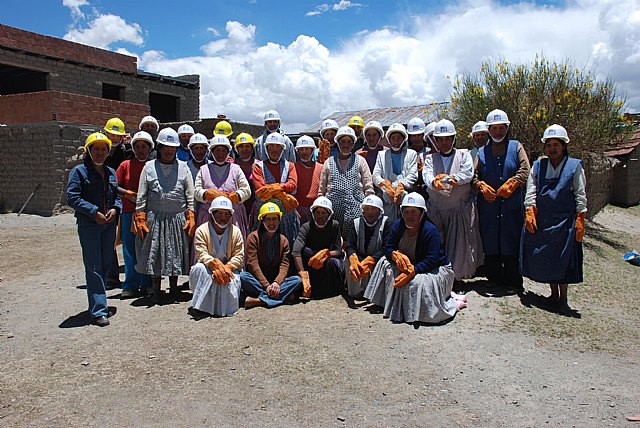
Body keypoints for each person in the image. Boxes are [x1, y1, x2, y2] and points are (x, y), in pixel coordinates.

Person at [364, 193, 466, 324]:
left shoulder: (430, 230)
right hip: (411, 263)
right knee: (385, 263)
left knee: (416, 283)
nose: (409, 216)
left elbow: (432, 259)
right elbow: (387, 246)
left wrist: (413, 271)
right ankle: (389, 303)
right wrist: (394, 255)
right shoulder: (397, 226)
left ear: (422, 213)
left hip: (435, 268)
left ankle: (447, 304)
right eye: (406, 212)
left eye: (413, 212)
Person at [521, 125, 587, 310]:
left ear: (564, 145)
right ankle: (553, 295)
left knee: (563, 260)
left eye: (556, 144)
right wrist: (529, 209)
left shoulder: (574, 167)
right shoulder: (538, 166)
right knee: (548, 258)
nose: (552, 148)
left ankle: (563, 298)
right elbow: (531, 189)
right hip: (543, 221)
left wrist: (580, 217)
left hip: (565, 222)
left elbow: (580, 194)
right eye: (548, 145)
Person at [472, 109, 530, 294]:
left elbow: (525, 169)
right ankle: (495, 279)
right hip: (489, 206)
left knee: (510, 240)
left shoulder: (516, 147)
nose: (498, 132)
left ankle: (513, 282)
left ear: (507, 128)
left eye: (501, 128)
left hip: (511, 205)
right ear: (489, 130)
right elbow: (472, 176)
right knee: (491, 241)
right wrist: (480, 186)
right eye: (494, 128)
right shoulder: (481, 152)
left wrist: (514, 182)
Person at [134, 127, 196, 302]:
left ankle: (174, 287)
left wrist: (190, 215)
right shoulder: (148, 167)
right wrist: (140, 216)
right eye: (165, 147)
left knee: (175, 252)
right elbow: (142, 194)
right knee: (156, 253)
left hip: (177, 218)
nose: (169, 151)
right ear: (159, 148)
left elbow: (189, 194)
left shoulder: (184, 168)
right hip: (155, 217)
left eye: (172, 147)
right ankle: (156, 289)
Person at [66, 132, 121, 327]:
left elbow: (117, 197)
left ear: (108, 152)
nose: (100, 153)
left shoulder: (111, 172)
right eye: (95, 149)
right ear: (88, 151)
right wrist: (93, 212)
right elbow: (72, 197)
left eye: (103, 149)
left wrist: (115, 209)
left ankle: (99, 301)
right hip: (89, 225)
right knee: (94, 267)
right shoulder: (79, 172)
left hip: (108, 225)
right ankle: (99, 310)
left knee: (106, 263)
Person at [423, 119, 483, 288]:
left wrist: (447, 179)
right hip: (437, 210)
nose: (444, 142)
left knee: (459, 247)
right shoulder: (430, 159)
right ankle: (440, 278)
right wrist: (435, 183)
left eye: (447, 138)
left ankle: (455, 281)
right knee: (439, 244)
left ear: (453, 139)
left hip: (458, 209)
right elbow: (427, 176)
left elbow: (467, 174)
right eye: (440, 139)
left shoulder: (464, 155)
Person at [189, 196, 245, 317]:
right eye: (219, 213)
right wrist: (214, 265)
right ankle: (200, 307)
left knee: (228, 279)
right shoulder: (202, 230)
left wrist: (226, 268)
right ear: (212, 214)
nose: (223, 217)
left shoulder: (235, 231)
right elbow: (201, 253)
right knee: (198, 269)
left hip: (228, 269)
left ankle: (222, 309)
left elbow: (239, 255)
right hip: (208, 267)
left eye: (226, 214)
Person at [240, 203, 303, 308]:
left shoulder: (283, 240)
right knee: (242, 277)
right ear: (262, 221)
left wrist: (276, 283)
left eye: (275, 219)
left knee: (297, 280)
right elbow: (252, 264)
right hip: (259, 281)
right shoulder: (253, 238)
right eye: (268, 219)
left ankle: (258, 301)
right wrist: (267, 286)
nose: (272, 223)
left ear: (279, 221)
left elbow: (284, 265)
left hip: (276, 282)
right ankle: (284, 297)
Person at [115, 131, 153, 299]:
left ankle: (147, 283)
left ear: (149, 148)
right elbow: (114, 185)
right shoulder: (125, 165)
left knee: (147, 248)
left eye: (144, 146)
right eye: (137, 146)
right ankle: (130, 284)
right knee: (130, 250)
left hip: (148, 213)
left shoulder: (153, 165)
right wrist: (128, 194)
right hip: (129, 212)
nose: (140, 150)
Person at [318, 126, 374, 238]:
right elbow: (322, 189)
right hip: (333, 212)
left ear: (353, 144)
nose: (346, 144)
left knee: (354, 242)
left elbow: (368, 186)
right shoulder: (328, 162)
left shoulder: (361, 161)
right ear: (337, 143)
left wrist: (369, 207)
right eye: (342, 141)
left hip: (356, 211)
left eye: (349, 142)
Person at [194, 135, 251, 240]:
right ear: (212, 152)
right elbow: (197, 191)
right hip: (209, 217)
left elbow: (246, 190)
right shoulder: (203, 170)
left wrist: (237, 196)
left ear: (228, 152)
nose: (220, 154)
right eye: (217, 150)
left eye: (223, 150)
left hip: (233, 217)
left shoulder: (236, 169)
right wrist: (206, 194)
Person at [253, 132, 300, 246]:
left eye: (278, 147)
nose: (275, 150)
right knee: (264, 244)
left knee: (288, 242)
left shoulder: (290, 165)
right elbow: (261, 190)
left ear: (283, 149)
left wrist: (274, 188)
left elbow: (293, 185)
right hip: (265, 214)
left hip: (286, 215)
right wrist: (283, 190)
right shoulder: (258, 167)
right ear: (266, 149)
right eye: (271, 147)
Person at [292, 197, 344, 298]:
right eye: (318, 212)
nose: (320, 216)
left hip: (326, 261)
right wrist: (303, 275)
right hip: (311, 261)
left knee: (334, 262)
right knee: (305, 251)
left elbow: (338, 251)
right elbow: (296, 251)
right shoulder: (306, 227)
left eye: (323, 213)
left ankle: (331, 290)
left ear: (329, 215)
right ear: (313, 214)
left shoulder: (334, 225)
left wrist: (327, 254)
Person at [103, 117, 132, 290]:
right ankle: (111, 276)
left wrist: (128, 146)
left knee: (127, 240)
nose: (114, 138)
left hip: (124, 199)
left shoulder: (125, 151)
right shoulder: (99, 149)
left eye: (117, 135)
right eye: (111, 134)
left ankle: (131, 277)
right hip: (106, 199)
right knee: (109, 240)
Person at [344, 195, 390, 299]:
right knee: (347, 259)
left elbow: (387, 247)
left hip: (377, 260)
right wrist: (353, 257)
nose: (370, 212)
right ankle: (354, 292)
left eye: (373, 209)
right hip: (360, 258)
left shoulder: (386, 223)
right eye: (367, 209)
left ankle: (376, 295)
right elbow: (350, 245)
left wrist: (372, 259)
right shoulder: (356, 223)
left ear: (380, 211)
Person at [372, 123, 418, 223]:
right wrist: (385, 185)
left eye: (398, 138)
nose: (396, 141)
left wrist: (401, 185)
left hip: (405, 197)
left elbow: (413, 174)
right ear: (389, 139)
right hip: (386, 199)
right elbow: (375, 175)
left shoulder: (411, 154)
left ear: (403, 139)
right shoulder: (382, 155)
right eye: (393, 138)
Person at [232, 132, 259, 231]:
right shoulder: (231, 165)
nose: (244, 149)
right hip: (237, 207)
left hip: (255, 207)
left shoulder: (259, 165)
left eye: (247, 146)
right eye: (241, 146)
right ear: (236, 149)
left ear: (252, 148)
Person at [293, 135, 323, 224]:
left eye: (307, 149)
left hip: (317, 211)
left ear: (312, 150)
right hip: (298, 211)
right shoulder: (294, 167)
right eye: (301, 149)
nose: (304, 152)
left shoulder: (321, 168)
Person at [406, 117, 430, 201]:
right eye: (413, 136)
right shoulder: (405, 154)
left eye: (419, 135)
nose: (416, 138)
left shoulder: (429, 153)